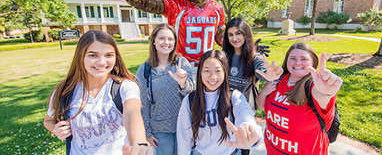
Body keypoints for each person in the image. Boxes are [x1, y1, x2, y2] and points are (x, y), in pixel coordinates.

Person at [43, 30, 152, 155]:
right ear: (81, 56)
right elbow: (48, 121)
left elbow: (132, 113)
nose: (101, 62)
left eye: (109, 55)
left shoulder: (124, 87)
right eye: (93, 55)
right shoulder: (64, 91)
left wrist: (139, 144)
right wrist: (56, 130)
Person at [256, 42, 343, 155]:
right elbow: (261, 105)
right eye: (293, 58)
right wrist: (265, 91)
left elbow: (322, 97)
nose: (297, 62)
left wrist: (325, 93)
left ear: (313, 63)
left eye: (304, 59)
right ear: (287, 61)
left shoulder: (314, 88)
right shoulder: (279, 80)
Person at [177, 50, 263, 155]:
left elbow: (245, 114)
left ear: (225, 72)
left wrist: (250, 132)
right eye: (207, 71)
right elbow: (184, 137)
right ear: (200, 72)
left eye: (218, 71)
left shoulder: (234, 97)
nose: (213, 77)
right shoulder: (190, 100)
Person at [136, 23, 194, 155]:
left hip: (183, 128)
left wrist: (183, 84)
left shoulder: (182, 63)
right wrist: (147, 132)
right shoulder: (144, 71)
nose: (166, 42)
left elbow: (192, 95)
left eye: (170, 39)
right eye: (161, 38)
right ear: (154, 41)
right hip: (159, 133)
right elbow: (142, 104)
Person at [222, 17, 280, 113]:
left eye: (238, 33)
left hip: (245, 110)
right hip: (225, 108)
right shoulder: (223, 56)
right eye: (230, 35)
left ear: (246, 34)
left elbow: (261, 71)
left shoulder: (255, 58)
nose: (234, 38)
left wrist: (268, 75)